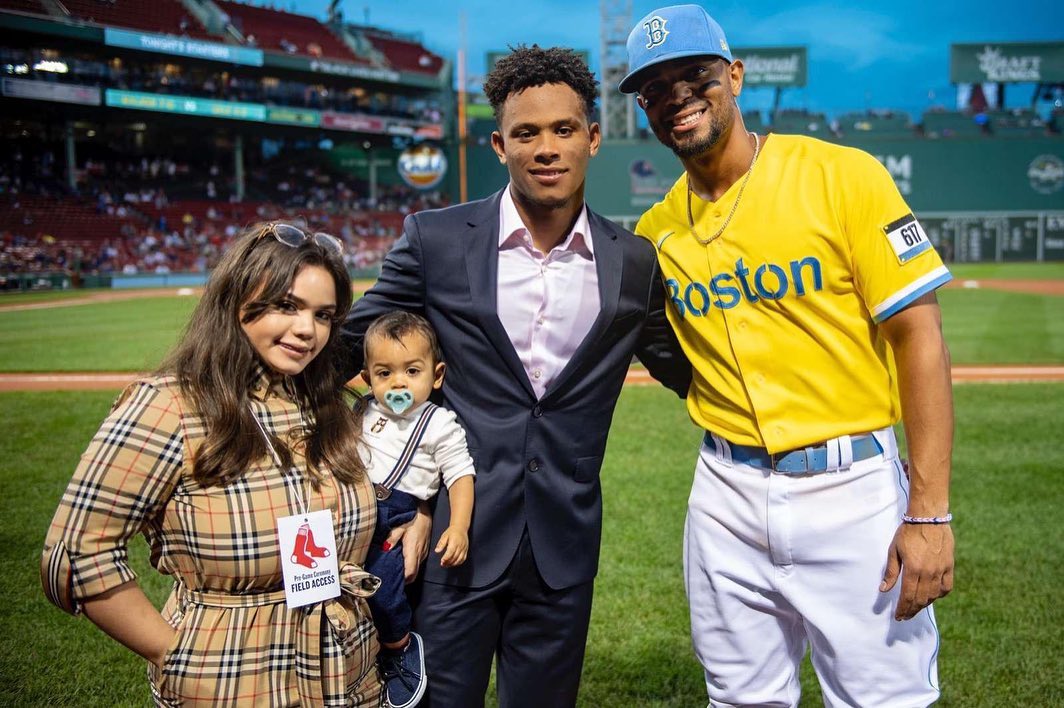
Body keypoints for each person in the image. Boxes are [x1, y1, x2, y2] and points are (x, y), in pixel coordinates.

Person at [620, 5, 955, 706]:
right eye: (655, 89)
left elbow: (919, 334)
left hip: (852, 488)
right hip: (723, 493)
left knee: (884, 699)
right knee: (740, 699)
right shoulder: (655, 234)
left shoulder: (842, 174)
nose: (677, 96)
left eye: (695, 76)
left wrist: (928, 513)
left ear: (735, 77)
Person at [341, 45, 690, 708]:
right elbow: (348, 348)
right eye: (527, 133)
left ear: (592, 138)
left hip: (562, 547)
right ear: (500, 145)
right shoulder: (436, 239)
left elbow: (688, 370)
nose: (546, 148)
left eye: (563, 130)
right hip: (453, 536)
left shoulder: (634, 262)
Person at [42, 223, 385, 707]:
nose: (308, 330)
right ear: (235, 300)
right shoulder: (169, 406)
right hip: (226, 683)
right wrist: (176, 655)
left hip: (347, 679)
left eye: (323, 314)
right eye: (287, 306)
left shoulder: (322, 403)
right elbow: (77, 554)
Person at [358, 310, 476, 708]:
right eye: (384, 373)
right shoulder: (363, 412)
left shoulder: (439, 423)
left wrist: (458, 527)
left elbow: (460, 475)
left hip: (395, 515)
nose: (398, 383)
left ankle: (400, 647)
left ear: (436, 375)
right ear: (368, 378)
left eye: (411, 371)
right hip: (353, 511)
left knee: (384, 587)